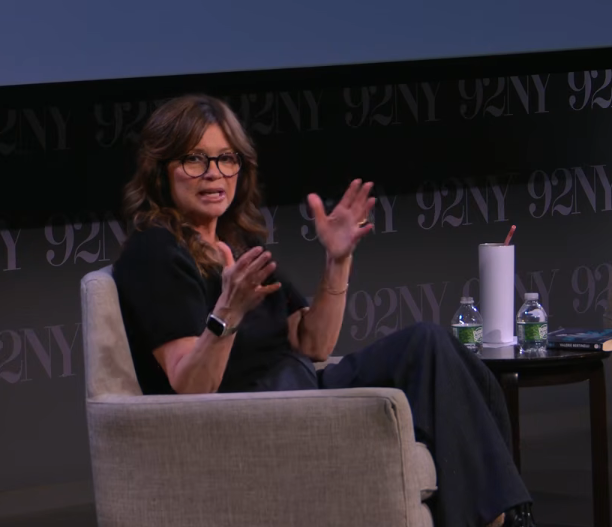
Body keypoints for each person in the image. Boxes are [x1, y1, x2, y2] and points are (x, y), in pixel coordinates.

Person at [111, 94, 536, 527]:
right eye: (195, 159)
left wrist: (337, 260)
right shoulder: (156, 252)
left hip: (301, 387)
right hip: (248, 414)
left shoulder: (239, 243)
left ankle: (501, 516)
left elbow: (313, 343)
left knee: (429, 343)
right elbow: (190, 386)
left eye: (226, 158)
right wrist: (227, 313)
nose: (214, 173)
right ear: (161, 169)